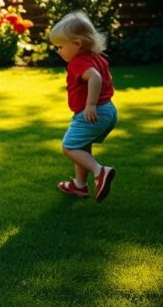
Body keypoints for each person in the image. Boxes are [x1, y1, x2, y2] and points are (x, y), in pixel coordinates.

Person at [50, 11, 117, 202]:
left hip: (94, 112)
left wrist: (90, 105)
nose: (58, 51)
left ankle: (99, 171)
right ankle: (79, 185)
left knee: (70, 147)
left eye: (61, 47)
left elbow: (95, 78)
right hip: (108, 111)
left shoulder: (78, 62)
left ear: (77, 44)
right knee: (82, 146)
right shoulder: (96, 57)